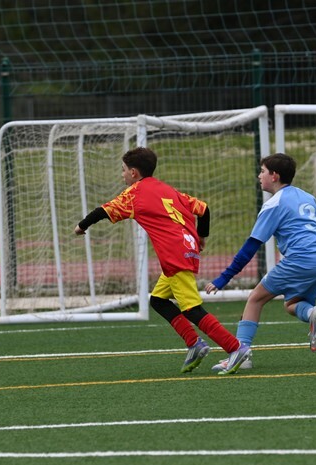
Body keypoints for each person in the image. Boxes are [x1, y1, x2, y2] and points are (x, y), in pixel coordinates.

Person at [75, 147, 250, 375]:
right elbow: (204, 209)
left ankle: (235, 347)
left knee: (192, 309)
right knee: (158, 301)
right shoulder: (167, 189)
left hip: (174, 255)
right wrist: (201, 237)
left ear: (134, 173)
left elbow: (102, 211)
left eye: (123, 170)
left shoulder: (134, 193)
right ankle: (194, 344)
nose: (122, 174)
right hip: (186, 249)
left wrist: (81, 226)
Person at [205, 153, 316, 374]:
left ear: (274, 176)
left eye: (263, 171)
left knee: (255, 299)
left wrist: (224, 278)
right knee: (293, 304)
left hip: (300, 260)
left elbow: (250, 247)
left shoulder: (273, 205)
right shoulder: (306, 197)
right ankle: (313, 313)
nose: (259, 176)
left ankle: (241, 354)